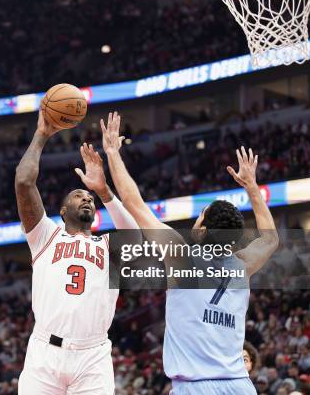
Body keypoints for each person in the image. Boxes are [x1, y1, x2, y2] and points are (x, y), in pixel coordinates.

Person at [100, 112, 279, 394]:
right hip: (239, 386)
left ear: (203, 230)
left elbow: (135, 204)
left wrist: (113, 154)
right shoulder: (243, 265)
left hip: (195, 387)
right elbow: (270, 240)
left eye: (199, 218)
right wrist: (252, 188)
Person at [15, 109, 139, 394]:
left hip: (92, 356)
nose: (86, 198)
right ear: (62, 211)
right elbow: (23, 182)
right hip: (45, 352)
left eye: (89, 198)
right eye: (78, 196)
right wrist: (41, 134)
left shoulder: (107, 246)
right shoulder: (45, 235)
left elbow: (134, 237)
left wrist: (105, 191)